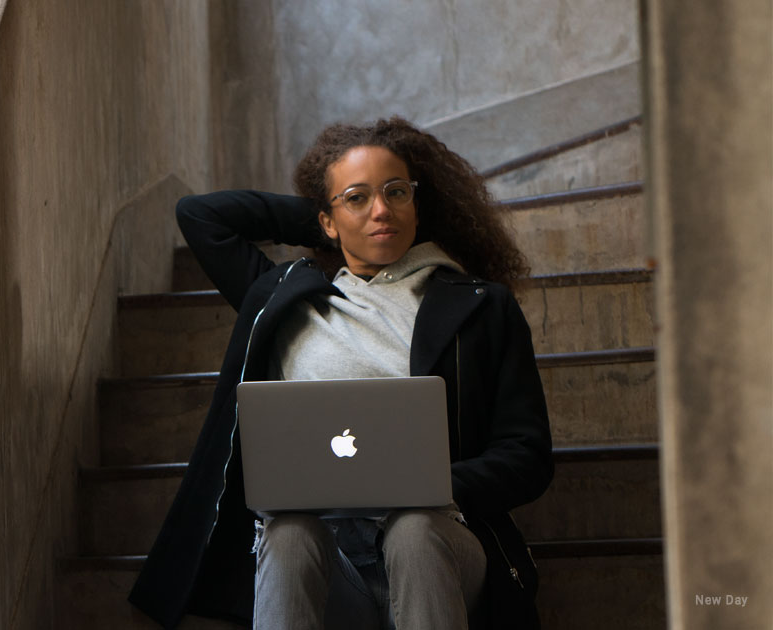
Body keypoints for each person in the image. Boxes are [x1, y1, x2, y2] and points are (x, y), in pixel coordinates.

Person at [129, 116, 553, 629]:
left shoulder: (482, 307)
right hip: (328, 567)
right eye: (358, 198)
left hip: (439, 549)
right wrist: (332, 213)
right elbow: (201, 216)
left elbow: (527, 455)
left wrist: (432, 484)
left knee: (413, 530)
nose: (382, 210)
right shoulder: (286, 299)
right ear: (325, 220)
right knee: (287, 532)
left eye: (397, 192)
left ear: (418, 203)